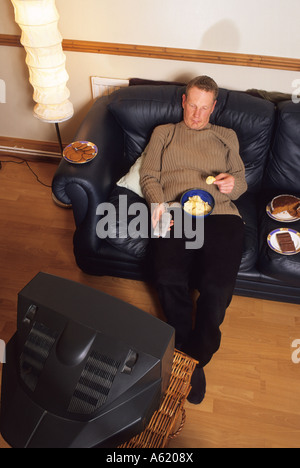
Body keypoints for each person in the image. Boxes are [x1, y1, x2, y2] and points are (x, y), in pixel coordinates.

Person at [140, 76, 247, 404]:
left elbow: (241, 181)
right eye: (192, 106)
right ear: (183, 101)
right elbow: (148, 176)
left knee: (216, 289)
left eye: (205, 108)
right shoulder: (164, 133)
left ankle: (194, 357)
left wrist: (231, 185)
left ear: (213, 107)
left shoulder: (227, 136)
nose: (197, 115)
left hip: (221, 215)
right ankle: (187, 355)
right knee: (168, 278)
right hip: (176, 212)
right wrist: (158, 205)